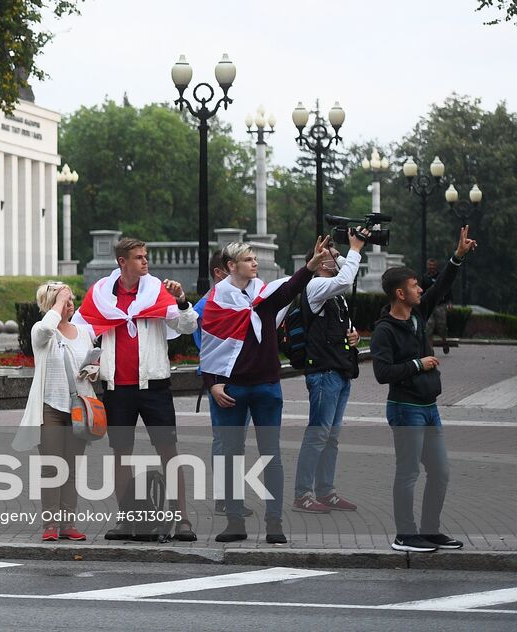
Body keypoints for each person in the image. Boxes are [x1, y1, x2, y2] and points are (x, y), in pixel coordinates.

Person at [72, 237, 199, 541]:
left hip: (154, 385)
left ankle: (182, 520)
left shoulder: (156, 291)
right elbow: (79, 331)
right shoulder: (101, 295)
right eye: (139, 257)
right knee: (120, 455)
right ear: (122, 262)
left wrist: (181, 300)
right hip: (117, 388)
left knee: (169, 451)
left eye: (146, 256)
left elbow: (188, 326)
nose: (145, 262)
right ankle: (127, 521)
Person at [200, 237, 326, 544]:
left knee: (271, 456)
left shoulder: (265, 295)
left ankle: (274, 523)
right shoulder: (217, 300)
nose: (255, 263)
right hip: (231, 390)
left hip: (267, 388)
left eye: (255, 258)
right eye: (248, 259)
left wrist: (309, 267)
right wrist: (212, 384)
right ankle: (234, 522)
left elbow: (291, 288)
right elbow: (210, 347)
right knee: (231, 456)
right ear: (231, 266)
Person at [374, 226, 477, 553]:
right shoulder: (384, 331)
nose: (421, 288)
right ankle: (405, 534)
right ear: (400, 294)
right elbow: (381, 372)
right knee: (407, 472)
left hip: (428, 407)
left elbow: (443, 282)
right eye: (415, 285)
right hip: (405, 408)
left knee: (441, 472)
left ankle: (430, 531)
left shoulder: (419, 313)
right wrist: (420, 364)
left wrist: (457, 256)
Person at [292, 230, 367, 515]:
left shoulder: (337, 298)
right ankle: (303, 494)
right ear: (323, 263)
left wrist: (353, 337)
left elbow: (339, 329)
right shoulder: (315, 287)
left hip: (340, 372)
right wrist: (356, 248)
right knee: (318, 435)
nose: (341, 260)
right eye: (337, 257)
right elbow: (346, 278)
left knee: (331, 437)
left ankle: (326, 491)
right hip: (323, 374)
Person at [14, 281, 91, 542]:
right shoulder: (41, 330)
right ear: (50, 303)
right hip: (51, 408)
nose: (70, 302)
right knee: (52, 467)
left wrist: (94, 368)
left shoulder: (83, 332)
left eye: (70, 298)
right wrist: (58, 302)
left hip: (80, 408)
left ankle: (69, 523)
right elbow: (48, 326)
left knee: (71, 468)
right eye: (62, 299)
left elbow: (97, 363)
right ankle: (50, 525)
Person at [191, 251, 243, 517]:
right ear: (219, 273)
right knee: (224, 439)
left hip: (238, 375)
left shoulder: (240, 299)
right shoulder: (206, 304)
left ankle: (232, 496)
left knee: (236, 439)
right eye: (232, 269)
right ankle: (225, 498)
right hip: (220, 379)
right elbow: (204, 344)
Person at [420, 257, 454, 354]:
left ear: (436, 266)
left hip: (440, 305)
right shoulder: (425, 278)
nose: (431, 267)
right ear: (427, 266)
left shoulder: (441, 277)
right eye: (429, 265)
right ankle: (430, 350)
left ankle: (444, 341)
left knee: (441, 326)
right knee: (428, 328)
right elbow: (421, 291)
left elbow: (448, 290)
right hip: (429, 305)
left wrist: (450, 302)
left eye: (433, 266)